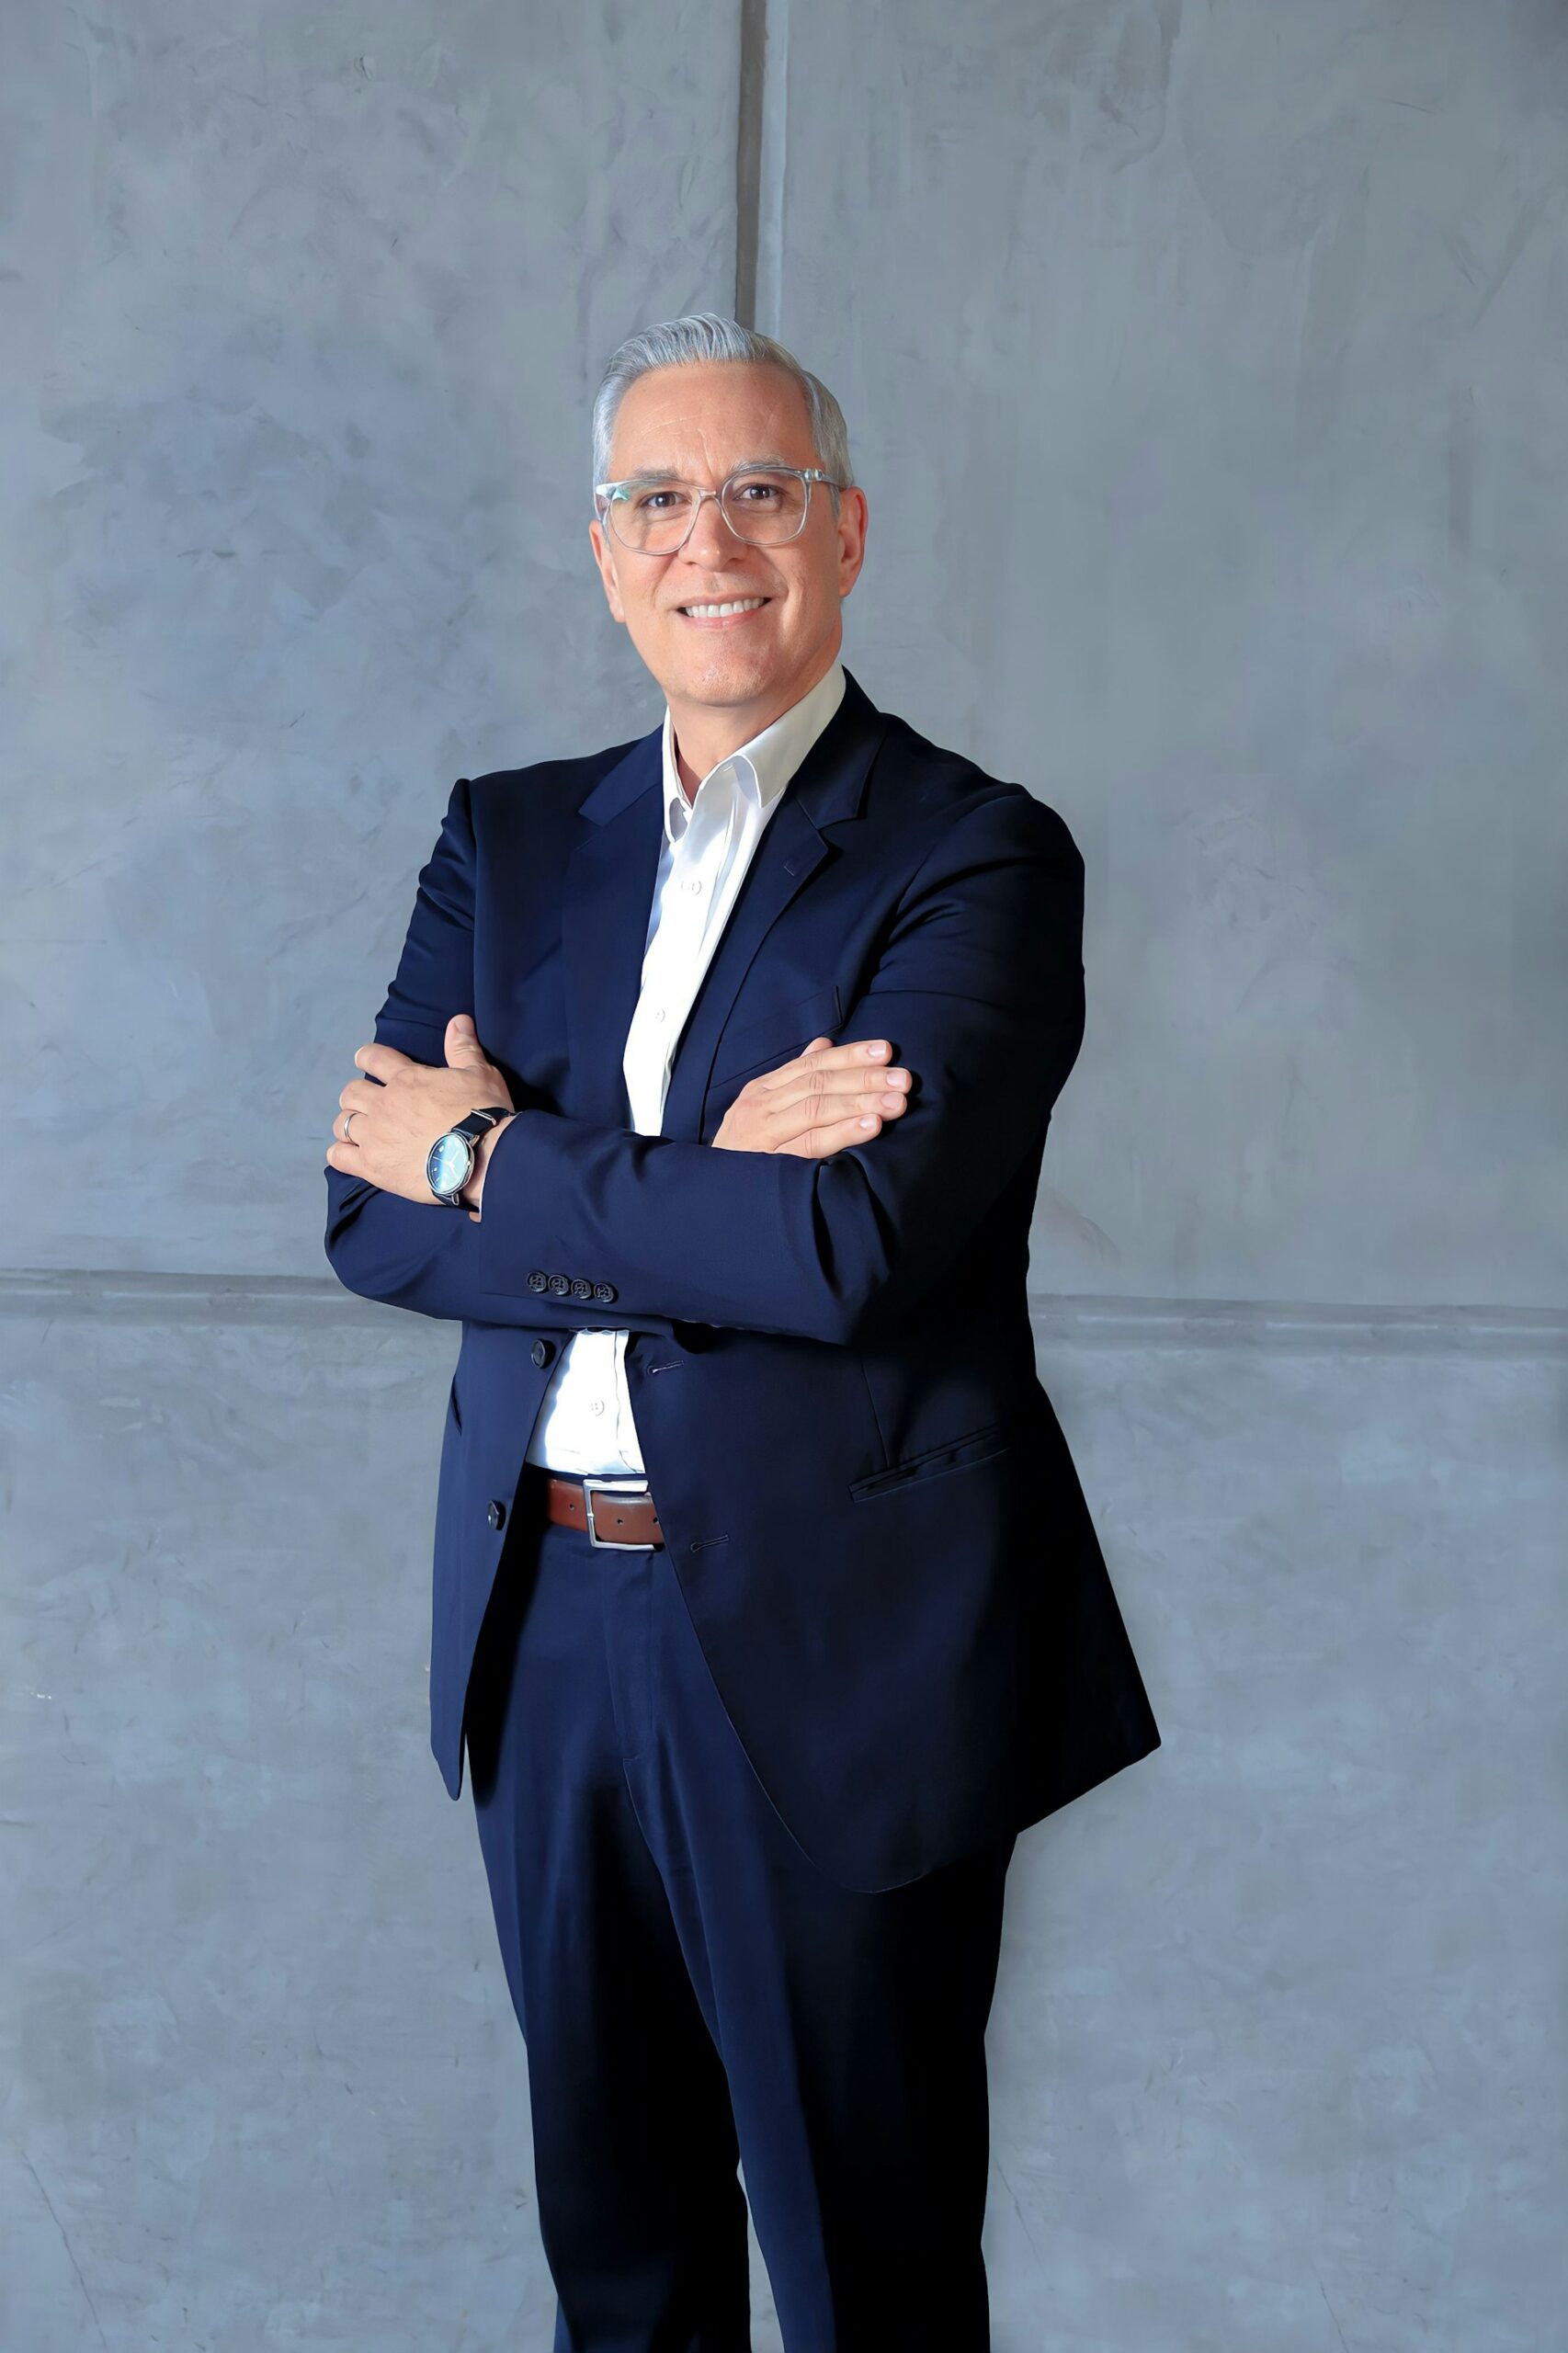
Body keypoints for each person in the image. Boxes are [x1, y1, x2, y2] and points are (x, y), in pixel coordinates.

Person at [324, 312, 1160, 2352]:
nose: (711, 540)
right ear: (606, 551)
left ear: (843, 532)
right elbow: (369, 1212)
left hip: (839, 1639)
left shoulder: (974, 851)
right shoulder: (508, 839)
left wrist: (493, 1158)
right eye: (659, 499)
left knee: (871, 2281)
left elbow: (849, 1246)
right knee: (618, 2272)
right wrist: (706, 1173)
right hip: (543, 1623)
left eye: (760, 492)